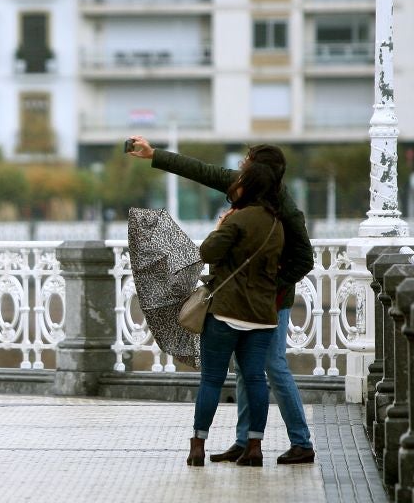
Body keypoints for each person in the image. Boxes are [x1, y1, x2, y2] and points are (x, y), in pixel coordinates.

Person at [129, 136, 316, 466]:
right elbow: (202, 170)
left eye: (248, 160)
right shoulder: (248, 186)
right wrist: (154, 154)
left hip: (271, 300)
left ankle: (301, 442)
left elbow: (304, 260)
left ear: (261, 170)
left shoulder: (286, 210)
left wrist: (268, 287)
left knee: (271, 366)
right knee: (247, 371)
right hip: (248, 301)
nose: (242, 165)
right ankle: (245, 442)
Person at [185, 158, 283, 467]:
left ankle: (198, 446)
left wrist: (221, 225)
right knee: (255, 379)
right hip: (262, 316)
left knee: (212, 380)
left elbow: (206, 252)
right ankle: (254, 447)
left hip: (226, 312)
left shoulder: (237, 220)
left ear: (248, 186)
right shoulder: (276, 224)